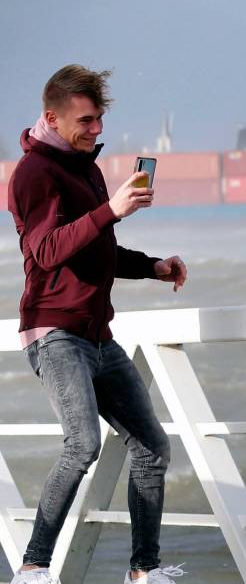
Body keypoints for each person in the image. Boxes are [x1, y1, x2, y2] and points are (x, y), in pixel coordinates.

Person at [7, 65, 189, 584]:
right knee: (82, 444)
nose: (97, 129)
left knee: (152, 448)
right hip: (54, 333)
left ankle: (142, 572)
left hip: (97, 336)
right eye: (86, 121)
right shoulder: (34, 174)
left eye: (99, 119)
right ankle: (32, 568)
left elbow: (95, 248)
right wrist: (111, 209)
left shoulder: (84, 167)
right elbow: (45, 251)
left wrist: (153, 267)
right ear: (52, 118)